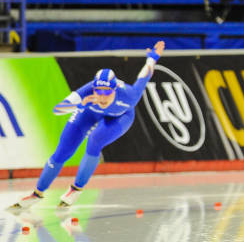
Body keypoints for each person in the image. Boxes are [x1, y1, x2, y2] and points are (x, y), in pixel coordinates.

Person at [9, 40, 165, 209]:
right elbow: (57, 109)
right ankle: (36, 194)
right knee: (63, 151)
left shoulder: (129, 95)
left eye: (107, 92)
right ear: (94, 89)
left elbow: (144, 76)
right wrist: (80, 104)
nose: (102, 97)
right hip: (89, 112)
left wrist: (152, 58)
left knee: (95, 141)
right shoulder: (87, 92)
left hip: (121, 116)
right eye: (99, 91)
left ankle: (76, 189)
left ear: (115, 90)